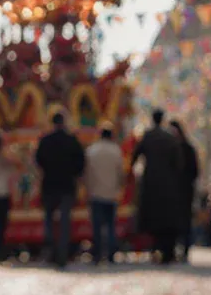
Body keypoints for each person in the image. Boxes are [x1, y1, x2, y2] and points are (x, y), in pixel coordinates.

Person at [35, 109, 86, 267]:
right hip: (67, 185)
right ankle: (62, 253)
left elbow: (39, 160)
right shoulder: (72, 140)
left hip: (49, 185)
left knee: (49, 220)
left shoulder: (45, 140)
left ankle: (51, 248)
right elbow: (81, 163)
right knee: (64, 222)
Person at [131, 109, 182, 265]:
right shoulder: (169, 137)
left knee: (152, 217)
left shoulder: (147, 136)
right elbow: (179, 162)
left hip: (150, 182)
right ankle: (167, 250)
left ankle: (155, 248)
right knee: (166, 218)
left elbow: (135, 156)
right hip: (167, 184)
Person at [84, 123, 126, 265]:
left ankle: (97, 253)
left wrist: (87, 188)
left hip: (96, 192)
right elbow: (121, 172)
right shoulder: (116, 151)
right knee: (110, 225)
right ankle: (111, 253)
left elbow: (87, 173)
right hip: (111, 193)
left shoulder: (92, 151)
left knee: (96, 225)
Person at [170, 120, 199, 262]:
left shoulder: (186, 148)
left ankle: (185, 248)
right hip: (178, 191)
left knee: (184, 221)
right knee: (177, 221)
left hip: (183, 191)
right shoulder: (182, 148)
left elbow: (195, 171)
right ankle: (177, 248)